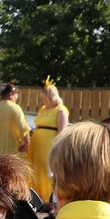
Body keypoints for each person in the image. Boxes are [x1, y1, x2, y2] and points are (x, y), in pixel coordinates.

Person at [29, 78, 70, 206]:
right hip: (36, 144)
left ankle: (48, 200)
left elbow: (62, 131)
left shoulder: (61, 110)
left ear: (50, 97)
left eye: (44, 97)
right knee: (35, 169)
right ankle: (36, 197)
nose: (42, 100)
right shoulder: (43, 109)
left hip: (49, 145)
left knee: (46, 170)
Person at [0, 83, 30, 160]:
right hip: (11, 154)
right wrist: (26, 142)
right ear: (10, 95)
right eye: (16, 95)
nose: (17, 97)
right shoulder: (15, 108)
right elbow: (23, 128)